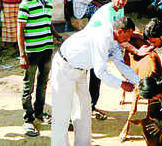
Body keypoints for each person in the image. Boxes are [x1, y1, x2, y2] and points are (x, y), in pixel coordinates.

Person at [51, 17, 140, 146]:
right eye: (128, 35)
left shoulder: (114, 39)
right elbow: (100, 72)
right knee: (62, 113)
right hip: (64, 67)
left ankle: (83, 144)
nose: (129, 40)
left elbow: (120, 63)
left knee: (84, 108)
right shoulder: (103, 37)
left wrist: (139, 82)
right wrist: (121, 84)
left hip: (80, 70)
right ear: (120, 31)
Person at [84, 0, 153, 120]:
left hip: (104, 45)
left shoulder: (120, 10)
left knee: (96, 79)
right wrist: (136, 51)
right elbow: (119, 37)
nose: (121, 2)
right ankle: (79, 113)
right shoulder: (106, 13)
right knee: (88, 78)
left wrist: (140, 38)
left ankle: (91, 107)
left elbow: (121, 34)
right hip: (90, 47)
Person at [17, 0, 63, 137]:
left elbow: (47, 22)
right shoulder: (26, 4)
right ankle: (28, 119)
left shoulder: (49, 3)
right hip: (31, 52)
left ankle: (39, 112)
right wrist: (22, 54)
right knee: (28, 86)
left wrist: (56, 35)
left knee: (43, 83)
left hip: (46, 50)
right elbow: (20, 30)